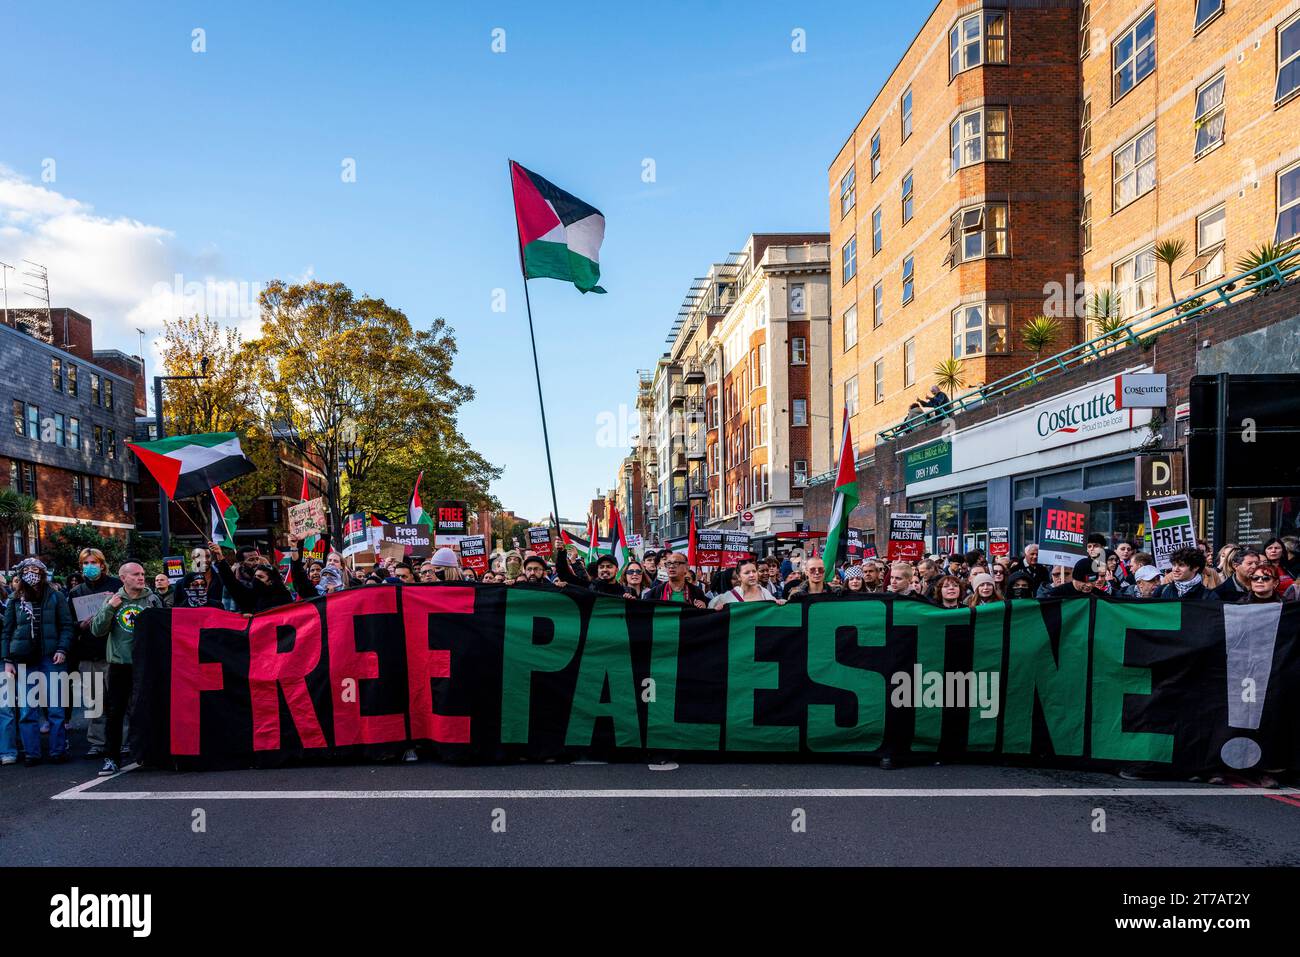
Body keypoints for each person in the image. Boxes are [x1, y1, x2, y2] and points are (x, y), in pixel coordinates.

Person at [89, 562, 163, 776]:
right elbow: (97, 631)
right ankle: (111, 758)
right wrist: (110, 607)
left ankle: (148, 752)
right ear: (123, 578)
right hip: (120, 665)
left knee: (146, 709)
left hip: (146, 664)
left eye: (142, 573)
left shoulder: (152, 599)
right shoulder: (113, 600)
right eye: (135, 574)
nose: (141, 577)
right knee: (115, 713)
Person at [1, 559, 74, 766]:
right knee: (27, 709)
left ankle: (57, 751)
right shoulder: (15, 600)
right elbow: (7, 632)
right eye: (27, 570)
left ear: (43, 573)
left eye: (36, 570)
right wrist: (8, 660)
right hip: (24, 659)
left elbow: (67, 626)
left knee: (56, 708)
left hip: (52, 657)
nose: (31, 573)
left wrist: (62, 649)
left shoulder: (56, 596)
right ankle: (32, 753)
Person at [210, 541, 294, 612]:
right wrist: (220, 558)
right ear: (241, 563)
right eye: (251, 560)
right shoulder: (249, 591)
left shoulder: (281, 593)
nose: (256, 563)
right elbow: (231, 582)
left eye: (257, 559)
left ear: (270, 581)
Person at [710, 558, 785, 608]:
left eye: (754, 571)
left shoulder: (765, 593)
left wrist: (781, 603)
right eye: (747, 573)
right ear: (739, 577)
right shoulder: (727, 597)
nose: (752, 575)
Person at [640, 553, 708, 606]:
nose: (671, 566)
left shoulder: (697, 592)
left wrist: (703, 609)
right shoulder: (655, 593)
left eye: (676, 563)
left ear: (686, 567)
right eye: (668, 564)